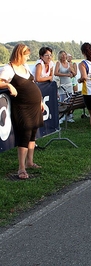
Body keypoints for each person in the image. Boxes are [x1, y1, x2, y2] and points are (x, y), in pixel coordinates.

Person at [0, 44, 44, 179]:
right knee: (24, 135)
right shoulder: (8, 69)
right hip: (22, 108)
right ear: (19, 54)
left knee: (33, 133)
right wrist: (8, 85)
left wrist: (40, 100)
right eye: (26, 55)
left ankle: (30, 162)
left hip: (35, 106)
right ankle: (21, 168)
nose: (28, 57)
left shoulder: (25, 67)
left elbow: (33, 84)